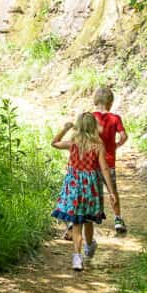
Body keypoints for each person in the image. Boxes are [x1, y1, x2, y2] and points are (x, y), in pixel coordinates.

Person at [51, 112, 112, 271]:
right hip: (90, 188)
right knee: (88, 220)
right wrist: (112, 192)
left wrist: (64, 129)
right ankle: (90, 246)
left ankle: (77, 259)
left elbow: (54, 143)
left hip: (74, 187)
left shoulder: (73, 143)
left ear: (78, 126)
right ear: (93, 126)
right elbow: (104, 169)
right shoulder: (98, 145)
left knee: (77, 222)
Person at [92, 87, 128, 234]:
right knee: (112, 190)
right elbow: (124, 136)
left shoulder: (90, 117)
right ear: (111, 102)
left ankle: (88, 217)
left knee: (91, 191)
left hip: (92, 162)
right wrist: (116, 146)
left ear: (95, 100)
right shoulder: (115, 118)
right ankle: (118, 219)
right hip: (109, 161)